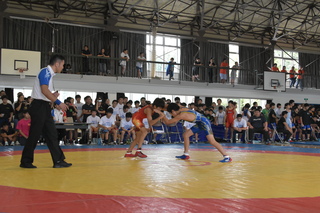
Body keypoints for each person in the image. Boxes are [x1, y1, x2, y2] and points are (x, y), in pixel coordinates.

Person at [20, 54, 72, 168]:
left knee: (51, 134)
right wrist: (59, 102)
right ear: (57, 64)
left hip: (43, 106)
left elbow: (44, 92)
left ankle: (58, 160)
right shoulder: (45, 72)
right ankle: (25, 161)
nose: (63, 67)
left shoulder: (49, 74)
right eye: (62, 65)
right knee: (34, 135)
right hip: (39, 107)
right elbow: (44, 90)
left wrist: (52, 96)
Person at [159, 103, 232, 162]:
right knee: (186, 135)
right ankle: (186, 154)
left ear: (173, 111)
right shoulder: (181, 109)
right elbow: (173, 105)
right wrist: (160, 108)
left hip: (204, 123)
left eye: (171, 114)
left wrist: (162, 115)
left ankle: (227, 156)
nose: (172, 115)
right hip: (199, 122)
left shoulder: (181, 115)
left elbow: (168, 122)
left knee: (212, 141)